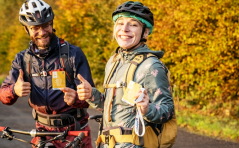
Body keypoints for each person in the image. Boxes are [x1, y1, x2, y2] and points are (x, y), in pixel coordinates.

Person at [77, 1, 175, 147]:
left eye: (133, 24)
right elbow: (113, 108)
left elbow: (167, 110)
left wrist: (147, 109)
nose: (125, 29)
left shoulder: (151, 65)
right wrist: (91, 94)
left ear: (146, 32)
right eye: (120, 23)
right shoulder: (114, 61)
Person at [0, 0, 94, 147]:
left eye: (46, 26)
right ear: (26, 29)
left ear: (52, 24)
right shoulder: (23, 59)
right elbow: (4, 97)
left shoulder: (73, 54)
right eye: (35, 28)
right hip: (42, 133)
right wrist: (14, 90)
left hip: (74, 133)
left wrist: (76, 98)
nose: (42, 32)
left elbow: (91, 96)